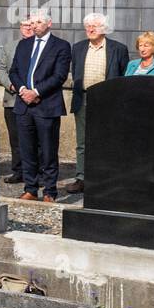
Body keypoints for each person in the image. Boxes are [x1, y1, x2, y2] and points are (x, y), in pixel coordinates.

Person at [8, 11, 72, 202]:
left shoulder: (61, 46)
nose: (34, 26)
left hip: (47, 105)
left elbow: (59, 76)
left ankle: (50, 191)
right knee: (27, 149)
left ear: (48, 23)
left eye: (38, 22)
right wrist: (22, 90)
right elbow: (14, 71)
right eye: (32, 23)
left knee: (48, 149)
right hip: (23, 105)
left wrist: (36, 92)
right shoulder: (24, 44)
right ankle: (31, 188)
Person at [65, 12, 130, 194]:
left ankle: (106, 179)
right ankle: (81, 178)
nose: (90, 29)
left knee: (107, 140)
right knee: (82, 142)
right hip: (83, 98)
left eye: (94, 26)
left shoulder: (118, 49)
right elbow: (76, 72)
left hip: (107, 100)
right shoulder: (78, 48)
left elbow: (124, 76)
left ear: (104, 29)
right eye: (88, 26)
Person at [0, 18, 35, 185]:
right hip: (12, 98)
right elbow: (1, 68)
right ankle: (18, 171)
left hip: (34, 99)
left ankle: (36, 173)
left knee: (35, 140)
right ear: (20, 27)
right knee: (15, 139)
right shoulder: (10, 46)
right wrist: (11, 86)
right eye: (24, 25)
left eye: (31, 25)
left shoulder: (42, 46)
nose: (28, 28)